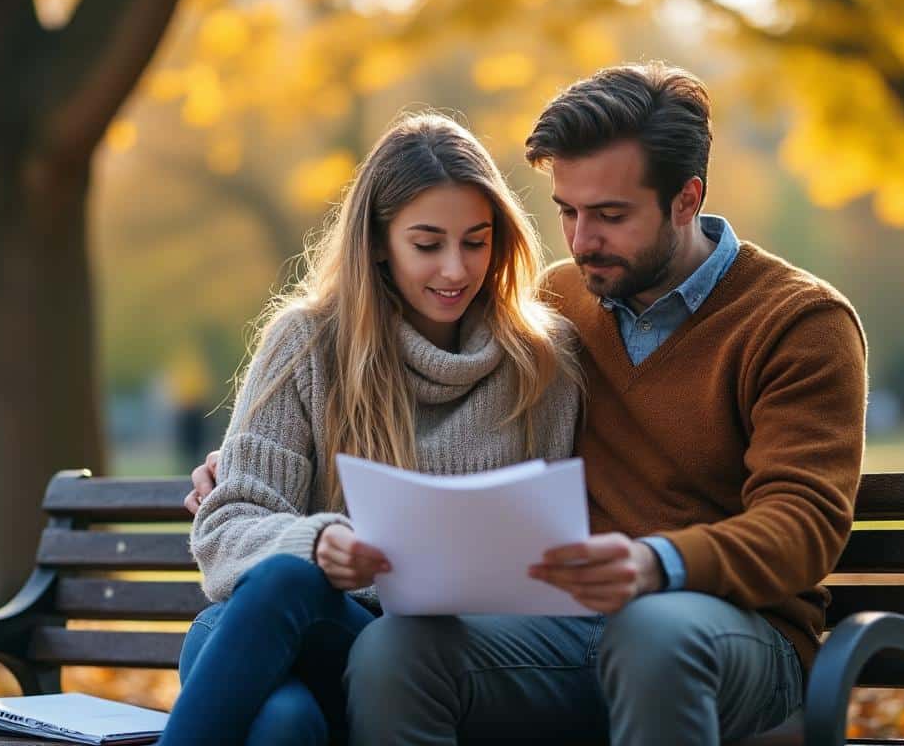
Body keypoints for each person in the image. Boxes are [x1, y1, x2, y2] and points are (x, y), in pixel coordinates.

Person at [342, 63, 868, 745]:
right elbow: (421, 387)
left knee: (653, 632)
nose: (581, 239)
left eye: (611, 216)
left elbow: (805, 524)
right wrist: (255, 467)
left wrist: (658, 563)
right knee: (396, 652)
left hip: (738, 636)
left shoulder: (798, 323)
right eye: (567, 210)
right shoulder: (558, 301)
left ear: (686, 199)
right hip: (569, 631)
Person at [166, 112, 582, 746]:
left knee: (285, 715)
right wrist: (320, 545)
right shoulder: (307, 344)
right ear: (379, 241)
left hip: (433, 663)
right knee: (286, 681)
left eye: (476, 240)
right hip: (267, 628)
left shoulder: (544, 364)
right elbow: (226, 530)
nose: (454, 269)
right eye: (427, 243)